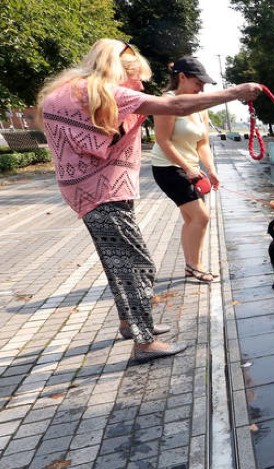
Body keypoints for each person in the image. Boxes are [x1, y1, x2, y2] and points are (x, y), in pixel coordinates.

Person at [37, 39, 261, 364]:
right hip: (101, 193)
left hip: (87, 190)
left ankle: (131, 324)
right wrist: (236, 92)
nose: (141, 84)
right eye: (137, 77)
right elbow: (177, 107)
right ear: (119, 72)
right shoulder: (108, 92)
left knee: (117, 263)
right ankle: (144, 342)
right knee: (139, 265)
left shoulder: (74, 92)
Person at [151, 56, 220, 283]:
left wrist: (210, 170)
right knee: (201, 217)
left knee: (192, 220)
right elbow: (162, 140)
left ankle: (192, 266)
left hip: (190, 168)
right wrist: (188, 168)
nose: (201, 89)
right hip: (168, 168)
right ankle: (195, 265)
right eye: (197, 83)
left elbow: (202, 143)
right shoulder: (166, 102)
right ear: (182, 77)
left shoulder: (200, 107)